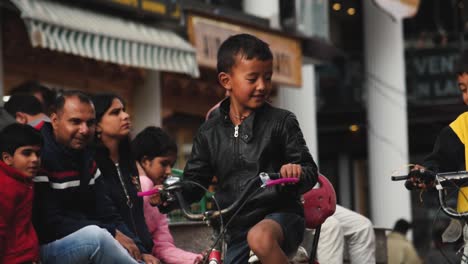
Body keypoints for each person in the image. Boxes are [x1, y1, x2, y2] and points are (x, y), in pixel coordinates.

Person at [152, 34, 318, 264]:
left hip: (280, 218)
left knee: (260, 238)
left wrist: (295, 172)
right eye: (253, 78)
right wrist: (168, 197)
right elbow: (195, 183)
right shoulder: (209, 132)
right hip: (235, 226)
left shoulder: (281, 121)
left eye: (267, 78)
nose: (262, 86)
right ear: (226, 81)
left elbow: (310, 170)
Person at [32, 90, 142, 263]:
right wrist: (110, 231)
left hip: (80, 239)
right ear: (54, 120)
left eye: (90, 123)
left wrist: (140, 250)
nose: (84, 130)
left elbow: (108, 214)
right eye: (75, 122)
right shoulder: (37, 154)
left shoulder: (86, 156)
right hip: (44, 248)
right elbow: (48, 223)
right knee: (96, 238)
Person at [92, 93, 160, 264]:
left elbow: (136, 214)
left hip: (142, 253)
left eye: (124, 110)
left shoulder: (128, 163)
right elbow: (104, 217)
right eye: (115, 112)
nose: (125, 116)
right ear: (97, 125)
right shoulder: (92, 165)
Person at [132, 126, 204, 264]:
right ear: (145, 161)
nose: (169, 171)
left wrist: (194, 260)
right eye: (164, 164)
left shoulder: (158, 195)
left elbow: (162, 245)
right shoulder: (143, 187)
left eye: (171, 165)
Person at [0, 123, 42, 264]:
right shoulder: (4, 187)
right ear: (7, 158)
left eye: (38, 153)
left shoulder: (22, 180)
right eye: (27, 153)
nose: (35, 159)